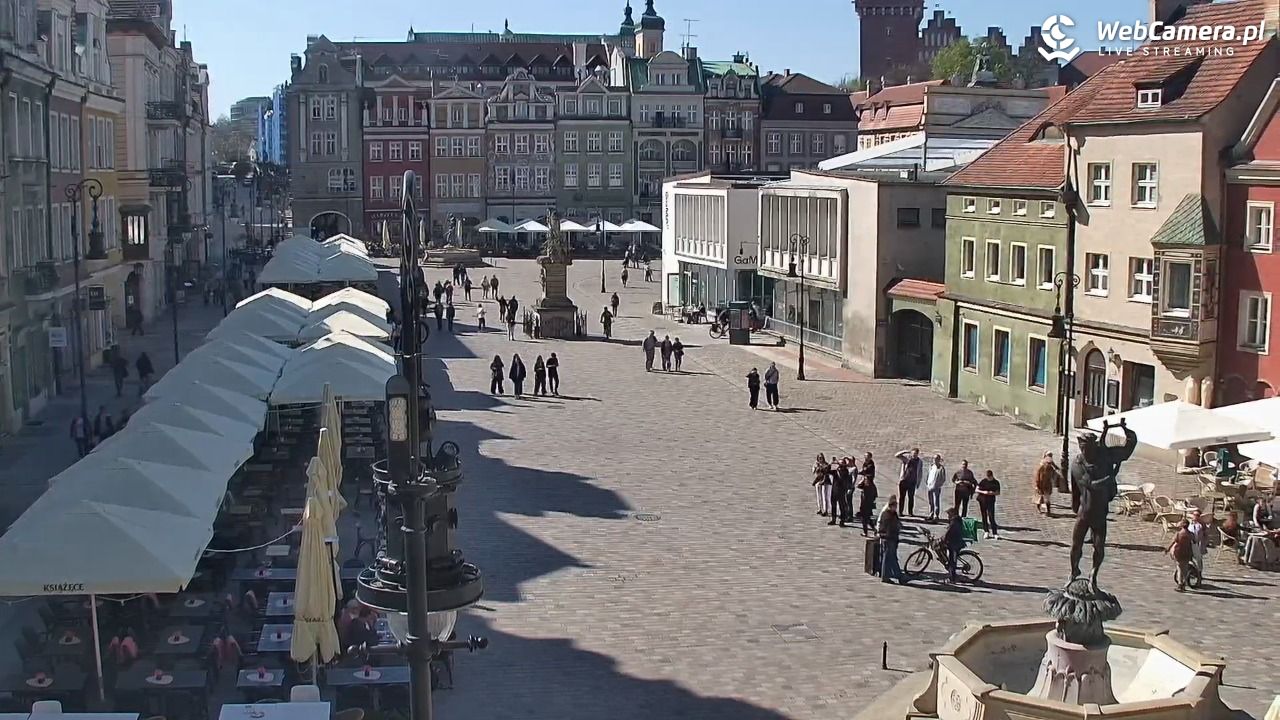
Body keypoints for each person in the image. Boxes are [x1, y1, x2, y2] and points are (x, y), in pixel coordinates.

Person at [878, 496, 906, 584]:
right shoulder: (887, 515)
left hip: (890, 539)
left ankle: (898, 576)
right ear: (891, 506)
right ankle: (893, 576)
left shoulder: (892, 514)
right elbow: (889, 528)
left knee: (891, 558)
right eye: (895, 506)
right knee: (889, 559)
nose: (896, 508)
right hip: (888, 539)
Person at [894, 448, 922, 518]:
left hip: (912, 482)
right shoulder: (907, 459)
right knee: (902, 497)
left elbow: (920, 472)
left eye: (915, 454)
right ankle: (900, 511)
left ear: (917, 454)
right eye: (913, 453)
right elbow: (896, 455)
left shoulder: (919, 461)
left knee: (911, 497)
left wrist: (918, 482)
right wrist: (905, 451)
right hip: (904, 481)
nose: (914, 455)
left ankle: (910, 512)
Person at [941, 507, 967, 583]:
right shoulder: (956, 520)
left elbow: (948, 533)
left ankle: (952, 578)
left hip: (955, 543)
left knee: (952, 561)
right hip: (955, 542)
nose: (948, 516)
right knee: (951, 559)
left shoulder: (954, 521)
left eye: (949, 514)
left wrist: (943, 539)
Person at [1169, 520, 1195, 592]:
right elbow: (1195, 541)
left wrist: (1167, 549)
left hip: (1179, 552)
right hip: (1187, 553)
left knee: (1180, 568)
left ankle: (1180, 584)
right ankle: (1184, 582)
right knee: (1185, 568)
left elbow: (1173, 542)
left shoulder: (1178, 534)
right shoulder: (1191, 534)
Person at [977, 470, 1001, 540]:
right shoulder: (983, 481)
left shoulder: (996, 482)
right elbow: (977, 490)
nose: (988, 478)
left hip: (991, 501)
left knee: (991, 516)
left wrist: (991, 493)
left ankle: (995, 532)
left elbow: (998, 492)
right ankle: (986, 531)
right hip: (983, 501)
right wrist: (984, 492)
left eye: (989, 477)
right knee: (984, 516)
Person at [1034, 451, 1061, 516]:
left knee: (1047, 498)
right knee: (1040, 498)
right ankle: (1039, 509)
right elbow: (1037, 477)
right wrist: (1037, 485)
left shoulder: (1050, 467)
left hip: (1048, 485)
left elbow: (1054, 473)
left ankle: (1048, 511)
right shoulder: (1041, 467)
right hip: (1041, 485)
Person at [924, 454, 947, 522]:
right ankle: (931, 514)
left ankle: (936, 516)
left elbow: (943, 478)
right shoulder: (931, 466)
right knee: (930, 501)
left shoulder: (941, 468)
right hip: (929, 486)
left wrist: (939, 485)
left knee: (936, 501)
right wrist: (927, 483)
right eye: (934, 459)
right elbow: (929, 475)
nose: (935, 460)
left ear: (939, 460)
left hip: (936, 487)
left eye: (937, 459)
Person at [857, 464, 878, 537]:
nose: (864, 480)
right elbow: (859, 486)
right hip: (864, 505)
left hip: (867, 505)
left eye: (865, 479)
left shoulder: (869, 487)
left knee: (865, 519)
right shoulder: (867, 486)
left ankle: (866, 532)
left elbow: (874, 496)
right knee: (867, 519)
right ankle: (874, 530)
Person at [830, 459, 852, 527]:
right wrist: (830, 464)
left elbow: (845, 479)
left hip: (841, 492)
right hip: (834, 491)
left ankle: (842, 521)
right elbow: (826, 471)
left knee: (842, 507)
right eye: (840, 463)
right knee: (833, 506)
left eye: (842, 463)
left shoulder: (845, 471)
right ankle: (833, 519)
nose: (840, 464)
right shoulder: (836, 471)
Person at [1187, 509, 1208, 576]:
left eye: (1197, 515)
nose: (1195, 516)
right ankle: (1190, 570)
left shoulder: (1201, 525)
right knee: (1188, 558)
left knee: (1198, 559)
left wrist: (1204, 544)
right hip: (1189, 544)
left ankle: (1199, 572)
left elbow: (1205, 535)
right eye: (1194, 515)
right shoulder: (1190, 523)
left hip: (1198, 544)